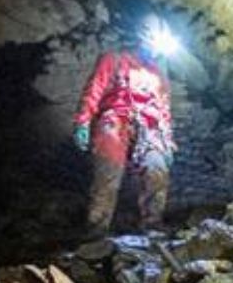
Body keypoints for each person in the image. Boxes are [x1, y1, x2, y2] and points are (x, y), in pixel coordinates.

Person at [72, 36, 174, 234]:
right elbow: (95, 89)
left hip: (149, 126)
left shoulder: (157, 71)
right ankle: (96, 228)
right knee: (109, 168)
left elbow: (164, 108)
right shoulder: (115, 59)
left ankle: (152, 224)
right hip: (117, 118)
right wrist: (83, 121)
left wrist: (167, 140)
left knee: (157, 167)